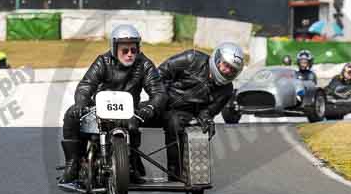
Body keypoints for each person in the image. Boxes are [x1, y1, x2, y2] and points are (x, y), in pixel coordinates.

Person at [60, 24, 167, 184]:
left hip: (129, 111)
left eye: (133, 50)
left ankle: (131, 164)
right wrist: (81, 103)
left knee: (133, 126)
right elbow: (86, 85)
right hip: (100, 109)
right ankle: (73, 163)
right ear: (114, 49)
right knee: (71, 115)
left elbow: (159, 92)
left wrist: (150, 108)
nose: (130, 54)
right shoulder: (103, 61)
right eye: (125, 50)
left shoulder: (144, 64)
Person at [158, 43, 245, 179]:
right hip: (160, 103)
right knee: (130, 120)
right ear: (216, 59)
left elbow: (209, 111)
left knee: (175, 124)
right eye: (225, 65)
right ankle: (130, 166)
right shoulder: (192, 58)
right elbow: (160, 74)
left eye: (232, 70)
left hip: (182, 113)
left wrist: (206, 118)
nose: (227, 71)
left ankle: (174, 170)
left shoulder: (227, 90)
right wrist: (160, 98)